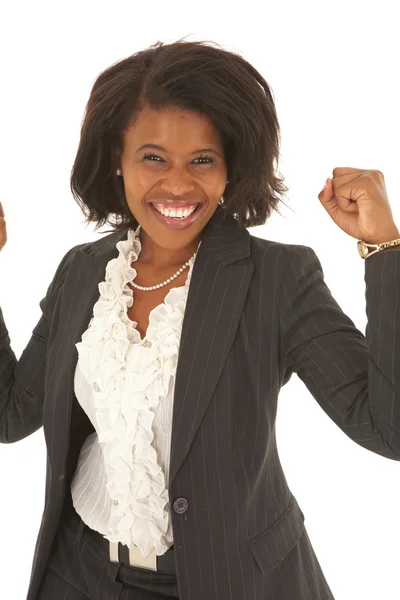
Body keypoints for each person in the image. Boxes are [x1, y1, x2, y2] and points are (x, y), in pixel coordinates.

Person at [1, 37, 400, 600]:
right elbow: (10, 414)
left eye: (202, 160)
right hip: (80, 575)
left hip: (229, 579)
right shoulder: (85, 270)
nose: (178, 185)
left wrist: (385, 251)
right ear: (117, 160)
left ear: (231, 166)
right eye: (153, 157)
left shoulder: (277, 278)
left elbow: (389, 429)